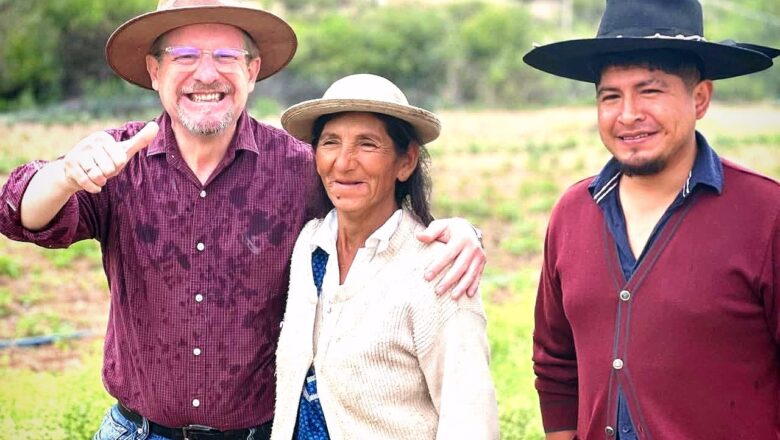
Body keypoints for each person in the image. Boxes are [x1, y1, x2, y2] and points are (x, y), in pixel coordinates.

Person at [0, 1, 486, 439]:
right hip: (138, 430)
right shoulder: (118, 161)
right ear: (155, 70)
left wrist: (463, 233)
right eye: (185, 55)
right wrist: (63, 173)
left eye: (226, 57)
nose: (206, 74)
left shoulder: (301, 167)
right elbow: (19, 213)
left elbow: (376, 210)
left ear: (252, 71)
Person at [523, 0, 779, 439]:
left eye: (650, 91)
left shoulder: (766, 214)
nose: (628, 115)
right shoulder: (572, 213)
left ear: (700, 98)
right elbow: (556, 365)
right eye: (610, 96)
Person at [270, 73, 499, 439]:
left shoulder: (439, 268)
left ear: (405, 161)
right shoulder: (310, 246)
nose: (343, 162)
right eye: (330, 142)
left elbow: (469, 418)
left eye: (367, 144)